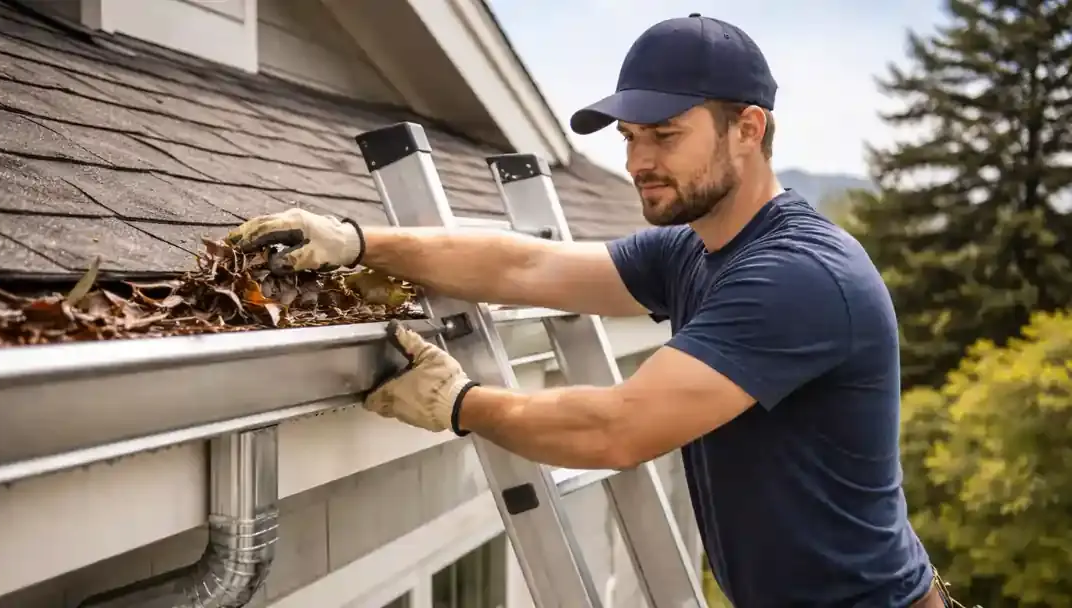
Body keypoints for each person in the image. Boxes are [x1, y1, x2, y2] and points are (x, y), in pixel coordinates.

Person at [226, 13, 955, 608]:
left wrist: (461, 404)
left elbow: (618, 429)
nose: (639, 161)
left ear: (749, 130)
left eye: (666, 135)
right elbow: (528, 264)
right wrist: (356, 241)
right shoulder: (691, 252)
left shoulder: (796, 276)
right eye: (632, 137)